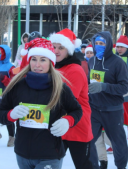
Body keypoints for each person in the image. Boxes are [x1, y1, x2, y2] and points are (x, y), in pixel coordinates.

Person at [0, 38, 82, 169]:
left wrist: (67, 121)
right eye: (34, 59)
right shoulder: (17, 86)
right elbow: (1, 113)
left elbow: (76, 110)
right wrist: (11, 114)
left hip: (50, 155)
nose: (37, 65)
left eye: (43, 60)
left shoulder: (60, 88)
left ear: (51, 63)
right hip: (23, 154)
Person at [50, 28, 93, 169]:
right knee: (49, 163)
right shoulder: (52, 67)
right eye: (54, 47)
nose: (56, 51)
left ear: (68, 50)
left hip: (77, 125)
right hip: (58, 125)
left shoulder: (75, 70)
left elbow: (67, 101)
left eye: (61, 48)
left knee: (84, 165)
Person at [88, 32, 128, 169]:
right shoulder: (91, 61)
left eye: (102, 44)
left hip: (112, 110)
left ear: (108, 45)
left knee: (118, 143)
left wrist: (103, 87)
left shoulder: (118, 62)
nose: (98, 46)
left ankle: (121, 166)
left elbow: (124, 88)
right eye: (97, 43)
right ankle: (94, 165)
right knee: (88, 141)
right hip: (94, 108)